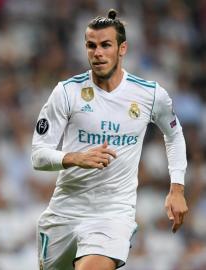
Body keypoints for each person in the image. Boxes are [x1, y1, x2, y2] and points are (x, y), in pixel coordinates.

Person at [31, 9, 188, 270]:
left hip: (113, 213)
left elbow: (174, 134)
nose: (98, 53)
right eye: (91, 46)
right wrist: (74, 158)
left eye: (106, 45)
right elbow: (38, 155)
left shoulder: (150, 95)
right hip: (65, 211)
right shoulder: (67, 92)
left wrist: (177, 188)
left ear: (122, 48)